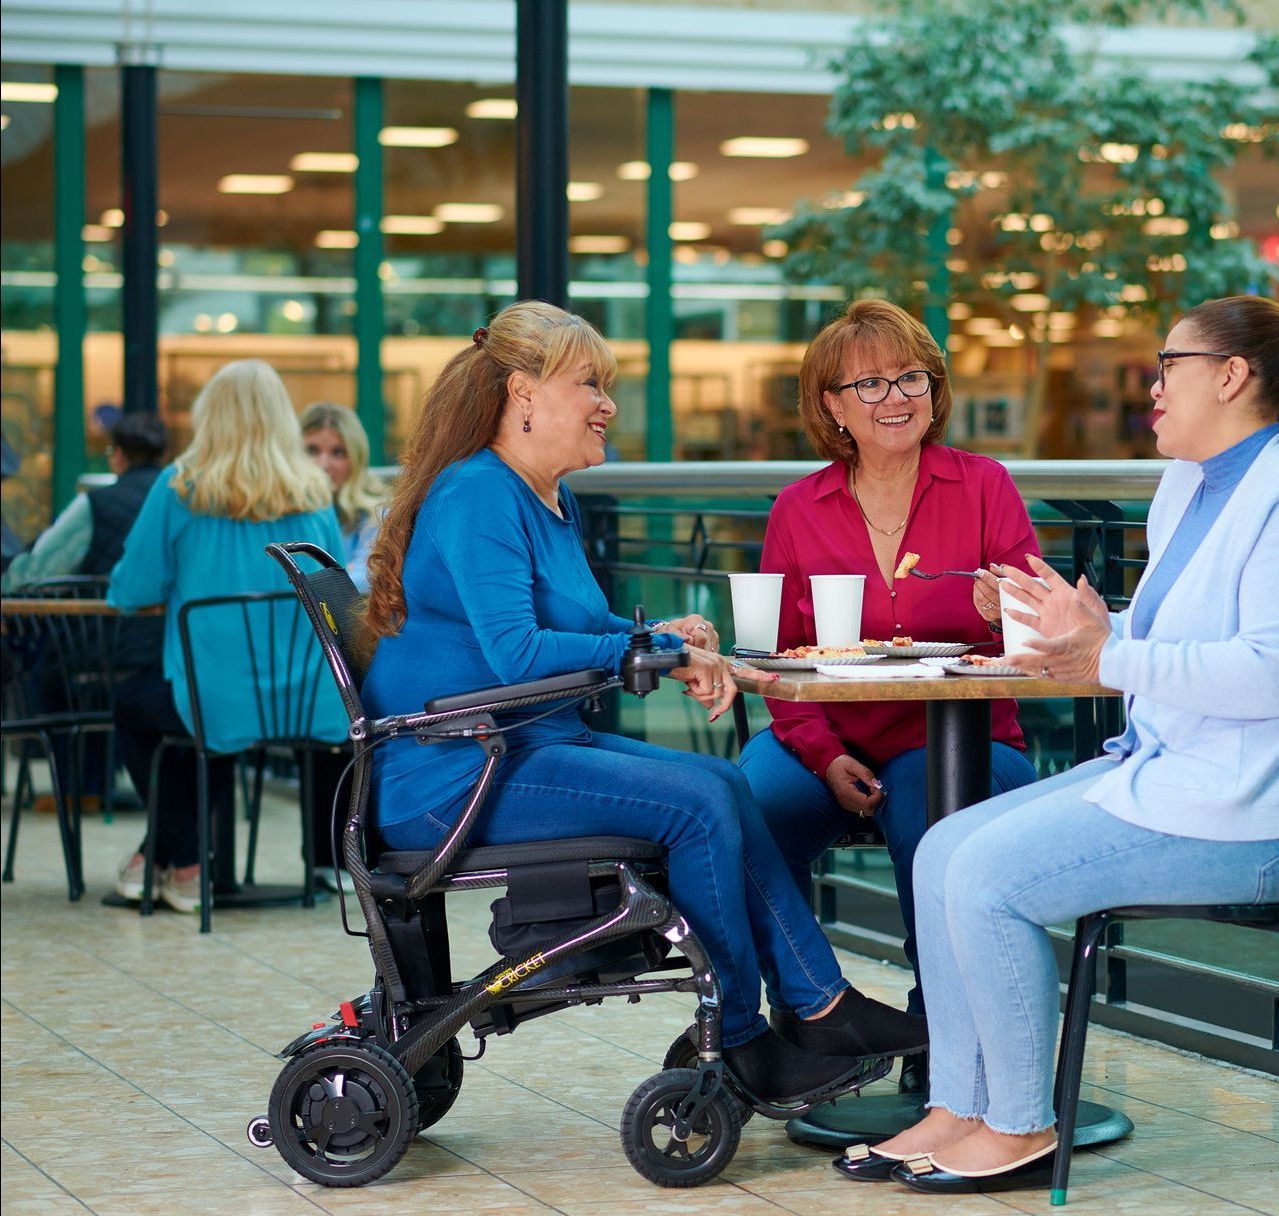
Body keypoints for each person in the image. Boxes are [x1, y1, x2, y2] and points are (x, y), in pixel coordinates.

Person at [359, 300, 927, 1105]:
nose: (607, 404)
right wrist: (660, 653)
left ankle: (819, 1005)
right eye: (590, 383)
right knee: (699, 801)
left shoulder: (544, 496)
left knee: (726, 783)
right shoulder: (479, 496)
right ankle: (741, 1038)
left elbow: (577, 629)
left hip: (518, 752)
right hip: (454, 777)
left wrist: (664, 634)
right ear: (523, 394)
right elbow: (516, 652)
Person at [841, 294, 1279, 1193]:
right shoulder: (1190, 483)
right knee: (939, 851)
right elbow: (1168, 645)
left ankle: (1017, 1125)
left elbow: (1264, 669)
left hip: (1244, 807)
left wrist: (1109, 651)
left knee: (989, 877)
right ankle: (958, 1106)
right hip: (1169, 773)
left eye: (1168, 367)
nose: (1151, 388)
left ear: (1230, 376)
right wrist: (1084, 624)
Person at [737, 299, 1040, 1084]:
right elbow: (775, 658)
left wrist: (1005, 614)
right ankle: (806, 1016)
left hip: (966, 739)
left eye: (910, 377)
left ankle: (941, 1029)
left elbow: (1041, 633)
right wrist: (823, 754)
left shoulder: (983, 486)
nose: (895, 397)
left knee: (928, 809)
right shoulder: (797, 508)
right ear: (831, 406)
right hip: (826, 738)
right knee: (742, 808)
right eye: (868, 384)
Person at [107, 360, 350, 912]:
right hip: (304, 700)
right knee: (203, 716)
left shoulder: (181, 488)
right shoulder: (314, 492)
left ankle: (186, 861)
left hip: (214, 698)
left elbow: (130, 588)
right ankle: (168, 857)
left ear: (208, 417)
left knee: (136, 706)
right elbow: (334, 586)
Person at [2, 410, 167, 595]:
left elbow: (38, 572)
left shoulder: (97, 504)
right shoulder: (182, 500)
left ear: (119, 455)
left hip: (103, 618)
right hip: (172, 619)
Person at [300, 402, 387, 592]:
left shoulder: (377, 514)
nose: (323, 465)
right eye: (312, 451)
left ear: (356, 459)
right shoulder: (285, 513)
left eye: (337, 453)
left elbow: (365, 582)